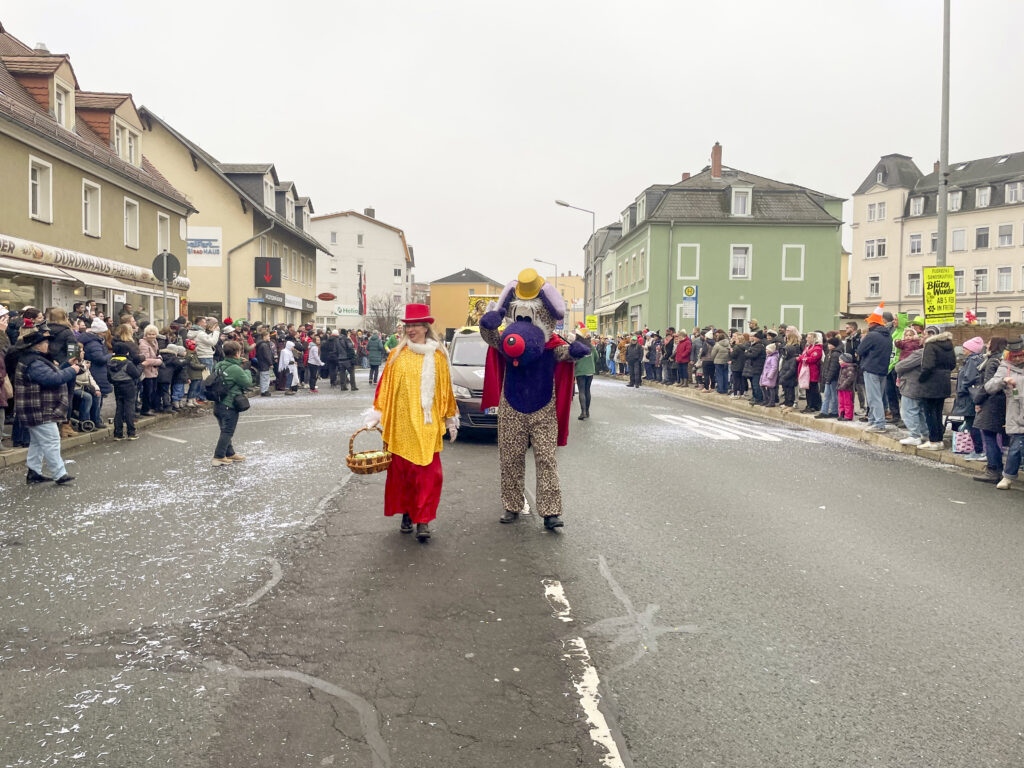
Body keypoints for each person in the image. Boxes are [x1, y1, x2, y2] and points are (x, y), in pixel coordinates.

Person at [366, 304, 458, 542]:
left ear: (426, 327)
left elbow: (445, 389)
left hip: (427, 425)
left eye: (416, 325)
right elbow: (384, 386)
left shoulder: (437, 356)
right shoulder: (396, 355)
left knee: (428, 474)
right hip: (401, 425)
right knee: (403, 475)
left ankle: (423, 520)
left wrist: (450, 418)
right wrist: (378, 412)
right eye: (408, 325)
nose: (412, 329)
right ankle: (407, 513)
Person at [14, 324, 81, 484]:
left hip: (37, 408)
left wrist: (69, 366)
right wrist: (72, 370)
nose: (48, 345)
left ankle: (34, 472)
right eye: (45, 343)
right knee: (51, 441)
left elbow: (52, 374)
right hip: (40, 409)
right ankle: (59, 474)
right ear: (37, 346)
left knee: (37, 443)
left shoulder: (34, 359)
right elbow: (52, 379)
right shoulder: (35, 362)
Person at [986, 336, 1024, 489]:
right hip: (1016, 413)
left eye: (1021, 355)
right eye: (1015, 356)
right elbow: (989, 387)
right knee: (1016, 446)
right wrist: (1004, 381)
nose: (1018, 359)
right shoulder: (1005, 367)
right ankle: (1007, 477)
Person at [973, 337, 1009, 484]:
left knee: (989, 435)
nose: (986, 345)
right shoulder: (1003, 361)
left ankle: (993, 470)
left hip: (991, 403)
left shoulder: (992, 361)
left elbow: (987, 385)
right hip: (1002, 402)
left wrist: (977, 400)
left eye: (988, 343)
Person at [211, 340, 251, 466]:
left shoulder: (219, 365)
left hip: (218, 403)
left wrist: (239, 363)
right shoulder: (236, 369)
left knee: (224, 430)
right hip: (230, 404)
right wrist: (247, 370)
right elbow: (248, 383)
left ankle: (230, 453)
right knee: (227, 431)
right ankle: (218, 456)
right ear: (237, 353)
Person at [916, 325, 956, 450]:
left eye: (924, 334)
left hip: (930, 382)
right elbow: (953, 364)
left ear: (930, 334)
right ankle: (939, 439)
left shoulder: (930, 345)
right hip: (944, 381)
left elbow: (928, 366)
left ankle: (933, 440)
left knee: (929, 412)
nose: (923, 336)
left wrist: (921, 378)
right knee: (938, 412)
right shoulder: (948, 345)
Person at [857, 305, 893, 432]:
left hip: (871, 368)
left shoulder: (871, 335)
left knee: (874, 397)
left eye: (868, 322)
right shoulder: (888, 336)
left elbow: (860, 350)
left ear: (872, 323)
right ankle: (873, 419)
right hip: (883, 369)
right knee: (878, 395)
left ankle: (879, 423)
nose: (867, 324)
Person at [108, 347, 141, 440]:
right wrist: (140, 366)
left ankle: (118, 434)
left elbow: (109, 378)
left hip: (117, 386)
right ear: (126, 352)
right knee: (129, 409)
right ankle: (131, 433)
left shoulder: (110, 362)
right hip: (128, 386)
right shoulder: (127, 363)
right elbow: (137, 374)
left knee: (119, 409)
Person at [138, 324, 163, 415]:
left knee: (153, 390)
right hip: (147, 371)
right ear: (146, 334)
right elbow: (146, 360)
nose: (151, 336)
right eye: (149, 334)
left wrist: (159, 357)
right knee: (147, 391)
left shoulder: (155, 342)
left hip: (154, 370)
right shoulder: (143, 344)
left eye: (153, 334)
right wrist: (159, 361)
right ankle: (145, 409)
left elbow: (157, 353)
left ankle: (149, 408)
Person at [816, 336, 842, 418]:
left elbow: (833, 368)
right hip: (829, 378)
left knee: (833, 396)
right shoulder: (830, 353)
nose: (828, 345)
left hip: (832, 379)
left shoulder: (835, 354)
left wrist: (828, 378)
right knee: (827, 395)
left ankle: (833, 411)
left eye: (830, 344)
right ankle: (825, 411)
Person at [574, 331, 596, 420]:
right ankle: (587, 411)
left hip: (580, 371)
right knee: (587, 390)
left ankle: (582, 412)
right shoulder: (591, 346)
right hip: (590, 370)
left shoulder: (576, 346)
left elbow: (573, 358)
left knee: (581, 391)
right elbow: (597, 357)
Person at [254, 329, 276, 396]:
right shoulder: (264, 345)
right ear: (264, 336)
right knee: (265, 378)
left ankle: (264, 390)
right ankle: (264, 391)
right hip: (265, 364)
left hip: (261, 362)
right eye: (268, 336)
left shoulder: (260, 344)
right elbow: (267, 355)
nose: (269, 337)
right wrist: (270, 363)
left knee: (263, 377)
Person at [837, 353, 857, 421]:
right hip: (841, 388)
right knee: (841, 402)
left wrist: (843, 385)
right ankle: (842, 413)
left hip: (847, 389)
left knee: (847, 402)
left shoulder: (850, 368)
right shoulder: (842, 368)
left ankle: (848, 416)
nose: (839, 361)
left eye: (840, 360)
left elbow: (850, 378)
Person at [760, 343, 780, 407]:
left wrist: (770, 375)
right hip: (765, 374)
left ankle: (771, 401)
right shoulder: (768, 356)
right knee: (762, 386)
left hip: (769, 375)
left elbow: (774, 367)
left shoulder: (773, 357)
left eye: (767, 349)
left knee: (771, 388)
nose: (766, 350)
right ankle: (766, 399)